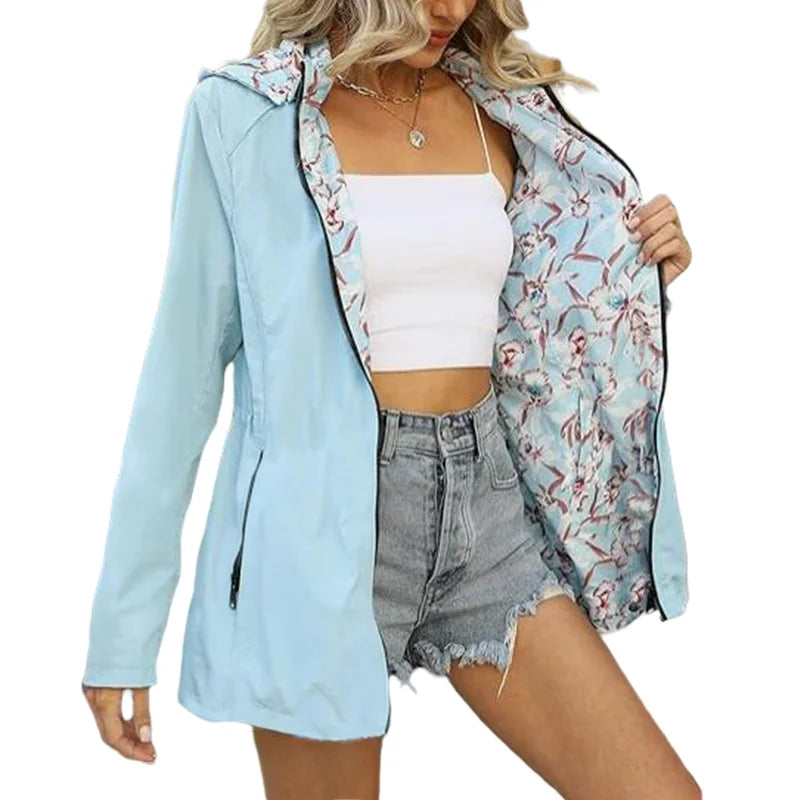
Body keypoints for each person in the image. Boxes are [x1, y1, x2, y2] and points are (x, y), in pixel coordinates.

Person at [82, 2, 698, 798]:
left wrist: (636, 272)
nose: (452, 9)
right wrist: (123, 637)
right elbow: (182, 378)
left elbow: (542, 321)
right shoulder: (247, 116)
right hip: (317, 539)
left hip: (487, 518)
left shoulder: (499, 107)